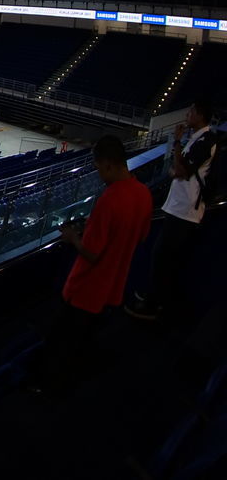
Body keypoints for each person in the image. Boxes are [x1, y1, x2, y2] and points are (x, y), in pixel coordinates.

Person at [30, 135, 152, 391]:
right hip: (114, 288)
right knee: (86, 341)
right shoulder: (143, 193)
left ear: (108, 164)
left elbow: (93, 254)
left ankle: (48, 388)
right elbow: (141, 235)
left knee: (60, 343)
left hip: (86, 290)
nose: (98, 174)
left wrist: (74, 237)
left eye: (98, 168)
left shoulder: (109, 200)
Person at [126, 100, 216, 320]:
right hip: (178, 207)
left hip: (184, 211)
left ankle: (155, 304)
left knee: (164, 258)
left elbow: (181, 171)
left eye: (192, 111)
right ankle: (154, 296)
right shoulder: (198, 138)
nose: (188, 114)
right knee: (163, 256)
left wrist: (176, 142)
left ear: (201, 116)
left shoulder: (205, 140)